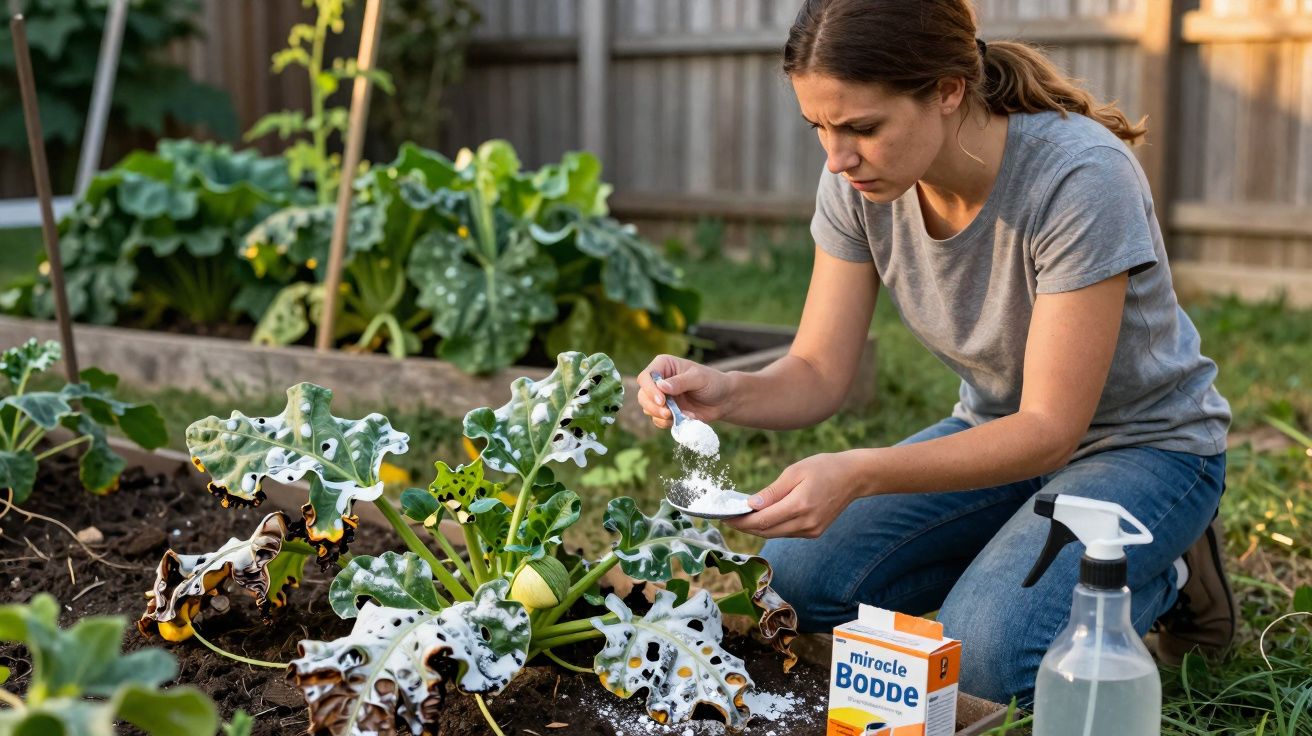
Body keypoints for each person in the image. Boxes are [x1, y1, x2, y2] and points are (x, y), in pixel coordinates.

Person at [637, 0, 1235, 706]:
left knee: (985, 660)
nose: (837, 157)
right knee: (790, 582)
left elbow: (1050, 428)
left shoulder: (1079, 178)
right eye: (819, 128)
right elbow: (820, 370)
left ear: (949, 90)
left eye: (862, 127)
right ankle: (1009, 569)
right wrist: (725, 392)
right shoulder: (856, 184)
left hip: (1145, 448)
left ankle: (1164, 576)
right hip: (994, 440)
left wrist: (859, 473)